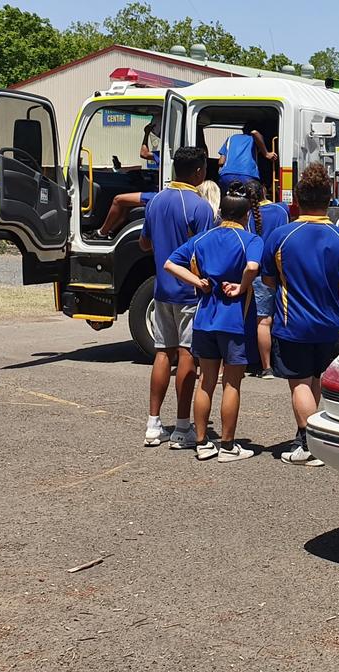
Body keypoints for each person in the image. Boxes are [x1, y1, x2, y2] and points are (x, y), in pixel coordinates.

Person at [261, 163, 339, 466]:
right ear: (330, 198)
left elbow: (268, 280)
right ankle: (309, 435)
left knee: (300, 383)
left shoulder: (282, 236)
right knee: (317, 379)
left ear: (298, 199)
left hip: (292, 324)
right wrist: (337, 296)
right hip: (329, 323)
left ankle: (308, 443)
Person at [163, 186, 263, 462]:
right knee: (232, 383)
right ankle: (228, 446)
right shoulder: (250, 239)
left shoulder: (203, 238)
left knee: (205, 381)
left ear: (220, 212)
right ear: (246, 215)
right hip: (234, 320)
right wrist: (242, 287)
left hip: (204, 316)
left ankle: (202, 442)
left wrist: (199, 282)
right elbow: (253, 267)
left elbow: (170, 264)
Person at [139, 146, 216, 447]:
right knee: (187, 355)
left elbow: (145, 242)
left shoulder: (156, 200)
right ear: (199, 172)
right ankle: (183, 425)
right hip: (189, 291)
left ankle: (153, 423)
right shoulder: (200, 207)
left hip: (161, 289)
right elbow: (205, 251)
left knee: (162, 352)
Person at [244, 179, 289, 379]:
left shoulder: (247, 215)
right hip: (279, 270)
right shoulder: (281, 211)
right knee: (279, 316)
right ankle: (281, 362)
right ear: (264, 190)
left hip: (257, 270)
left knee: (262, 320)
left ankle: (266, 366)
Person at [218, 121, 277, 188]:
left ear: (243, 130)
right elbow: (254, 132)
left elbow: (221, 162)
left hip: (227, 175)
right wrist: (266, 154)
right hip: (248, 175)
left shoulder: (231, 138)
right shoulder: (256, 140)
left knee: (227, 197)